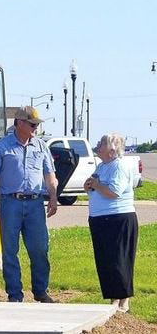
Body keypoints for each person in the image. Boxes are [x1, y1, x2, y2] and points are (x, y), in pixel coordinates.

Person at [0, 106, 59, 303]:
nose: (35, 127)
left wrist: (53, 196)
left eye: (36, 124)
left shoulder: (41, 146)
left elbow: (50, 175)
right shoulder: (2, 147)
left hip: (35, 204)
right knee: (10, 251)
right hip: (10, 203)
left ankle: (41, 291)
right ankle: (15, 295)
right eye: (32, 124)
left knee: (40, 249)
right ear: (19, 123)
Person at [85, 133, 138, 313]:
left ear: (112, 149)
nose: (98, 145)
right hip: (100, 219)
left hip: (118, 218)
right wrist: (89, 186)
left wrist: (98, 185)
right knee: (106, 261)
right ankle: (113, 299)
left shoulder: (120, 166)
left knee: (119, 259)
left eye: (102, 143)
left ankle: (124, 302)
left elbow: (114, 192)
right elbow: (94, 187)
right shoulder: (101, 166)